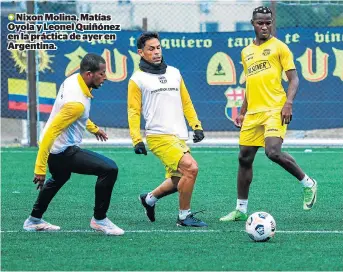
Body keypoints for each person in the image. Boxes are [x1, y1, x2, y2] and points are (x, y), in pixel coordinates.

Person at [220, 6, 317, 222]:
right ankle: (240, 210)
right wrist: (243, 111)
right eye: (260, 22)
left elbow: (294, 79)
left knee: (272, 151)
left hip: (275, 108)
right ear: (252, 24)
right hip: (253, 113)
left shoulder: (280, 48)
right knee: (244, 158)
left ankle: (308, 183)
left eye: (268, 23)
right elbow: (250, 84)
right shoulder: (246, 52)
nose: (264, 26)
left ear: (272, 23)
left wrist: (288, 103)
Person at [23, 54, 124, 235]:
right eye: (101, 74)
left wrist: (94, 129)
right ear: (88, 74)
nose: (105, 77)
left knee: (59, 178)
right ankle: (99, 219)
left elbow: (78, 117)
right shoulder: (76, 103)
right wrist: (39, 168)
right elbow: (50, 133)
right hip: (63, 151)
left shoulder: (73, 81)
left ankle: (33, 220)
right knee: (109, 169)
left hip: (57, 150)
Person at [128, 32, 207, 227]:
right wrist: (136, 139)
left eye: (158, 47)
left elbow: (186, 102)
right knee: (191, 168)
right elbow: (133, 111)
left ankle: (149, 199)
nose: (156, 52)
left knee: (177, 178)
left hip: (179, 136)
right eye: (151, 49)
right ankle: (184, 217)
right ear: (141, 52)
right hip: (158, 136)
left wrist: (196, 125)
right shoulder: (137, 79)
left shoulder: (174, 72)